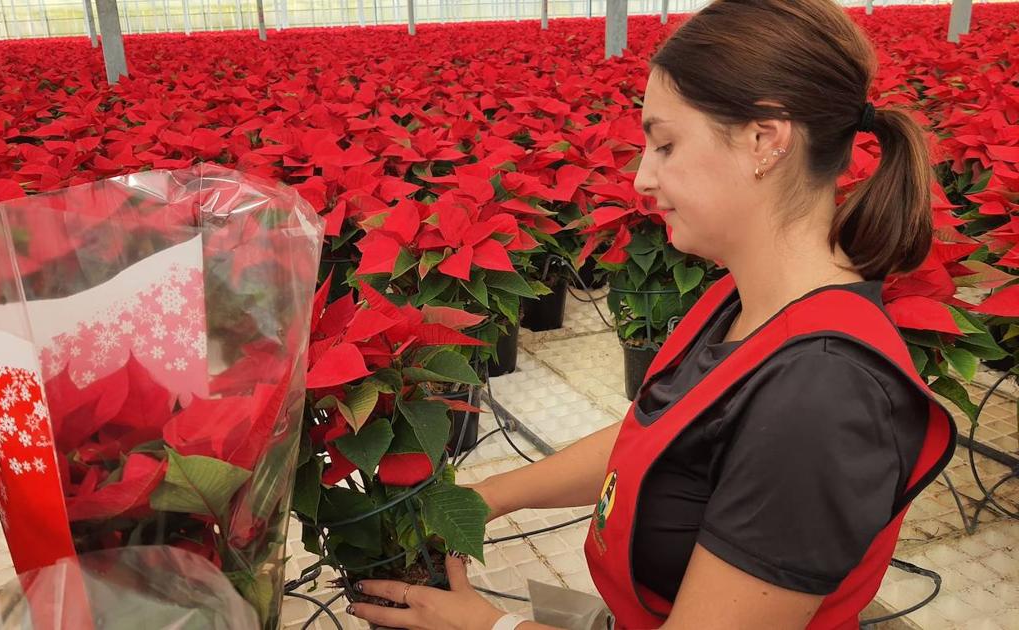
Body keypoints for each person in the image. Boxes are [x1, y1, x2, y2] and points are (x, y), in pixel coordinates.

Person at [346, 0, 957, 628]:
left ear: (764, 140)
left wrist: (489, 626)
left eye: (665, 144)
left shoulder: (824, 394)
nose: (641, 177)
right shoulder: (742, 300)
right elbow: (662, 436)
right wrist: (484, 499)